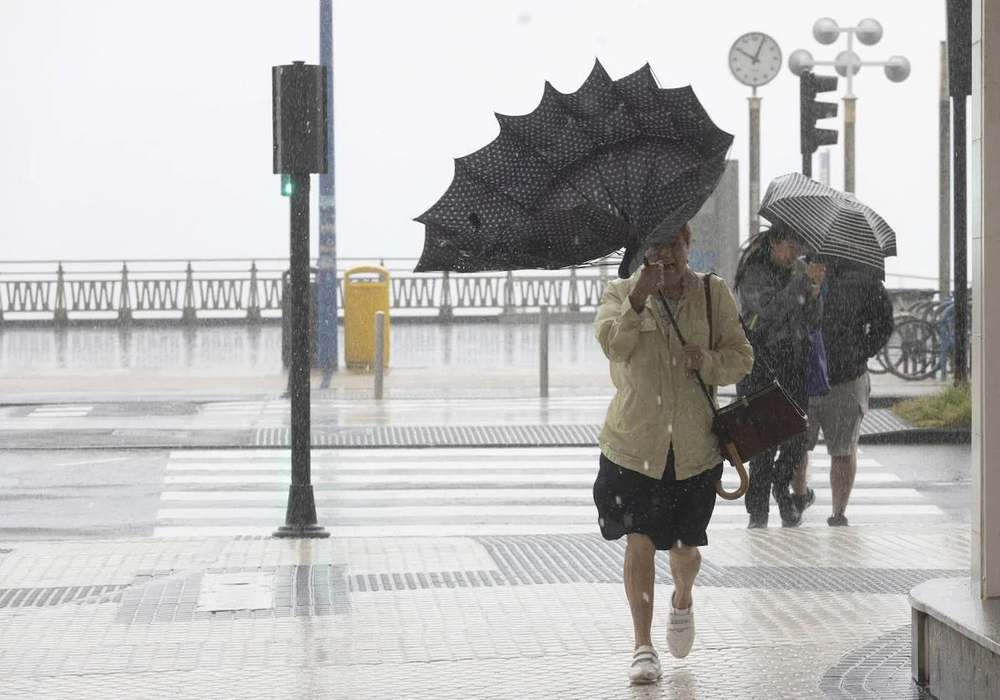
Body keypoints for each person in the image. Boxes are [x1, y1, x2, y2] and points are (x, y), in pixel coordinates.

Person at [593, 222, 753, 684]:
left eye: (673, 244)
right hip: (632, 445)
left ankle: (682, 599)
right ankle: (642, 646)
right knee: (638, 537)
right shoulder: (619, 293)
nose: (665, 254)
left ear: (688, 245)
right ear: (642, 251)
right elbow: (613, 346)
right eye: (655, 245)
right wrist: (637, 299)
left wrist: (707, 359)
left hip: (694, 448)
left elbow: (742, 355)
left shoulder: (712, 293)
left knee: (685, 549)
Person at [733, 223, 825, 528]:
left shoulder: (795, 273)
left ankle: (779, 485)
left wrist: (815, 292)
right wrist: (800, 284)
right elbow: (768, 312)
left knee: (798, 437)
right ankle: (758, 513)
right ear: (774, 242)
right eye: (790, 247)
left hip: (791, 364)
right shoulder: (754, 272)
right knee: (764, 443)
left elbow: (811, 317)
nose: (794, 255)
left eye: (799, 249)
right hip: (760, 365)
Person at [793, 261, 894, 526]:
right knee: (796, 445)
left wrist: (860, 352)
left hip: (847, 377)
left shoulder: (864, 279)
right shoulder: (799, 270)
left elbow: (884, 323)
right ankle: (798, 497)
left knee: (843, 449)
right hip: (803, 373)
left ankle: (838, 513)